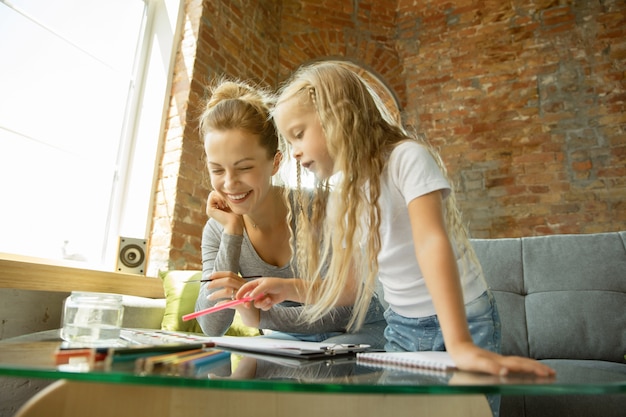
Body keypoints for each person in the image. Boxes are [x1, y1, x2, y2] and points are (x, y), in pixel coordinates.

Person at [237, 61, 556, 379]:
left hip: (465, 320)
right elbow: (347, 289)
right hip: (403, 327)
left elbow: (431, 242)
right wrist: (285, 288)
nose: (293, 152)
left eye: (299, 135)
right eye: (289, 142)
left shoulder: (407, 158)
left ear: (338, 116)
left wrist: (459, 343)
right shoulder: (343, 198)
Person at [195, 78, 387, 348]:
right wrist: (233, 231)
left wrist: (263, 317)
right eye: (217, 170)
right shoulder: (219, 228)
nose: (229, 183)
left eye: (244, 167)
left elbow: (347, 309)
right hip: (292, 343)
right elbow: (212, 326)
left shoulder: (323, 208)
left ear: (274, 163)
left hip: (360, 334)